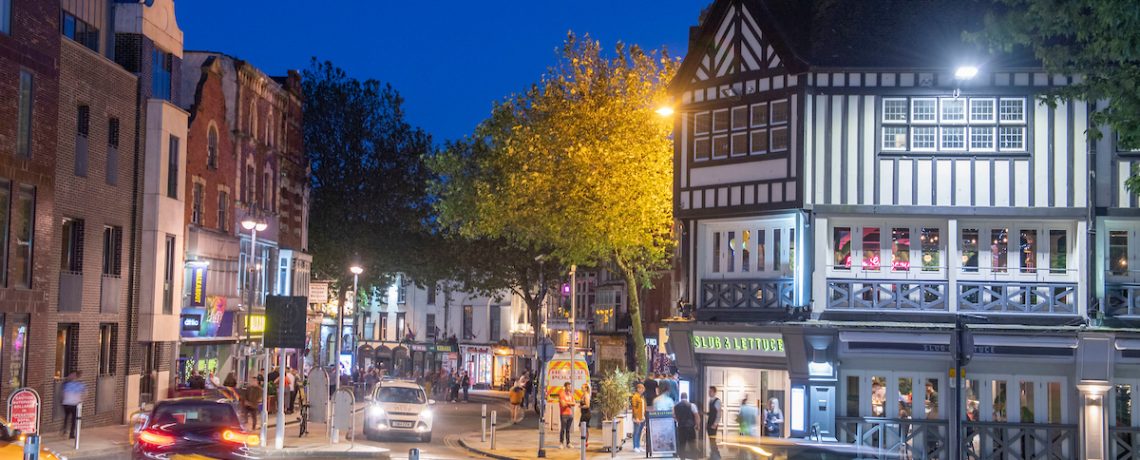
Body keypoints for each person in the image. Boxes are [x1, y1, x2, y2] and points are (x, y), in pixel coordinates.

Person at [60, 372, 86, 439]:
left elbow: (63, 393)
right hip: (74, 404)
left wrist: (63, 400)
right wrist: (81, 400)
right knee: (74, 419)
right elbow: (85, 393)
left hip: (66, 403)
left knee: (66, 417)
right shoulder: (80, 385)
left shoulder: (67, 384)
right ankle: (71, 434)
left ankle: (65, 431)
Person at [673, 392, 699, 459]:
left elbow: (674, 416)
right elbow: (696, 415)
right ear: (686, 397)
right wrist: (697, 425)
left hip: (681, 427)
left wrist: (678, 421)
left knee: (682, 445)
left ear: (680, 397)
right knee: (692, 445)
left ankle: (682, 458)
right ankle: (694, 458)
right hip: (690, 427)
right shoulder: (692, 405)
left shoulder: (676, 406)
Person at [558, 382, 576, 449]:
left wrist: (567, 403)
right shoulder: (562, 394)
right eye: (568, 386)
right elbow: (563, 404)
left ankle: (568, 443)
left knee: (568, 430)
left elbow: (574, 403)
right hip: (564, 414)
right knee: (563, 429)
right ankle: (561, 443)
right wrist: (570, 403)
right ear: (565, 387)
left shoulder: (571, 395)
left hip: (570, 414)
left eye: (570, 386)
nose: (569, 388)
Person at [631, 383, 647, 453]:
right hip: (637, 418)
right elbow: (634, 408)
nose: (643, 390)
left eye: (643, 388)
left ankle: (638, 446)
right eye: (641, 388)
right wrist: (636, 417)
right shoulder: (635, 397)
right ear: (638, 389)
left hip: (642, 417)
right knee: (636, 432)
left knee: (640, 432)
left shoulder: (642, 397)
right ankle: (635, 446)